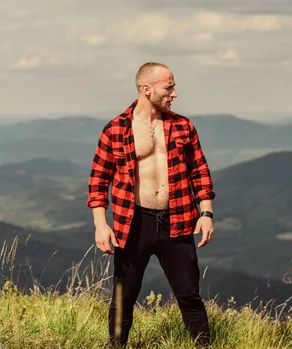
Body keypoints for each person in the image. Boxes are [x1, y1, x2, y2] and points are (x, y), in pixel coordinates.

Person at [86, 62, 216, 347]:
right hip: (133, 223)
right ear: (147, 89)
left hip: (178, 219)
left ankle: (205, 345)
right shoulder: (116, 129)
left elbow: (200, 172)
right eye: (168, 87)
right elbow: (98, 181)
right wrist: (100, 225)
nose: (175, 93)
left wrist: (205, 213)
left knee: (188, 293)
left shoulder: (183, 126)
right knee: (124, 295)